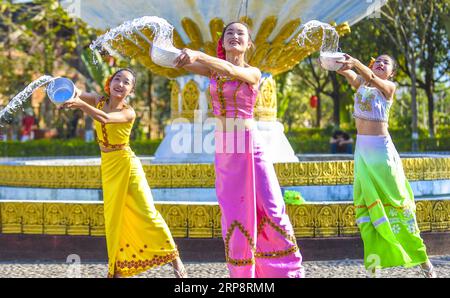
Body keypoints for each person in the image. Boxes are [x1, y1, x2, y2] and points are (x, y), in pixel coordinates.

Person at [174, 22, 304, 278]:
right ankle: (243, 275)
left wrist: (199, 54)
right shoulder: (214, 72)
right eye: (229, 33)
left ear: (248, 43)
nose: (234, 36)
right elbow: (180, 62)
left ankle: (286, 272)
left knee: (271, 207)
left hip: (248, 144)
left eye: (240, 33)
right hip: (225, 147)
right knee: (234, 213)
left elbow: (230, 69)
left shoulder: (254, 73)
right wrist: (173, 53)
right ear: (222, 42)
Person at [59, 68, 187, 278]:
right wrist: (60, 87)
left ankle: (174, 258)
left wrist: (81, 105)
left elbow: (105, 119)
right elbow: (77, 92)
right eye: (117, 79)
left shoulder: (129, 112)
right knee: (115, 218)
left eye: (126, 82)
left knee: (147, 212)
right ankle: (119, 269)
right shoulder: (99, 99)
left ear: (131, 90)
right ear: (110, 83)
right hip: (108, 167)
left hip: (127, 165)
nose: (120, 84)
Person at [333, 54, 436, 277]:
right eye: (377, 60)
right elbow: (349, 73)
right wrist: (333, 61)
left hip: (382, 155)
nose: (380, 63)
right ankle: (373, 269)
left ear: (391, 73)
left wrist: (357, 63)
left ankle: (424, 262)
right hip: (362, 153)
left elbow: (366, 74)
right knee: (367, 209)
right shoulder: (361, 83)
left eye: (385, 62)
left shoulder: (388, 87)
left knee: (399, 205)